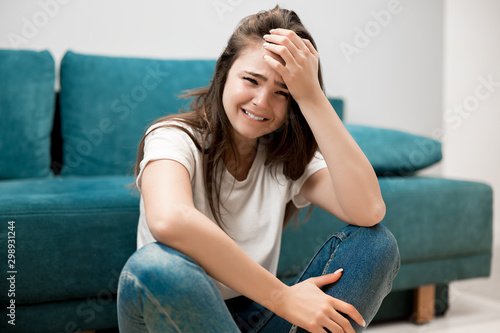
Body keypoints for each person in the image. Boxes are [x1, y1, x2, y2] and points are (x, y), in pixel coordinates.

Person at [117, 5, 400, 333]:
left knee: (376, 243)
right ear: (225, 71)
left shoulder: (285, 156)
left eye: (283, 93)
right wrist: (283, 298)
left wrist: (312, 97)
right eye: (251, 80)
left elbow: (368, 210)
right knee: (154, 266)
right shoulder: (173, 137)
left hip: (256, 314)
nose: (262, 102)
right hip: (179, 311)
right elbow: (169, 220)